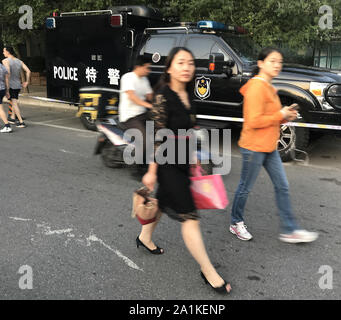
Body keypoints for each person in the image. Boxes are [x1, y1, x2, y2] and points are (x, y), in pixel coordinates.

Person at [141, 47, 231, 294]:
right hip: (167, 164)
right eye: (180, 62)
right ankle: (208, 271)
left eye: (190, 63)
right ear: (169, 67)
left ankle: (144, 238)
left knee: (160, 201)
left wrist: (192, 159)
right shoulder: (163, 96)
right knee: (189, 217)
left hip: (183, 161)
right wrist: (151, 171)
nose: (186, 67)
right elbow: (156, 136)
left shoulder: (187, 95)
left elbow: (187, 131)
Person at [230, 47, 318, 244]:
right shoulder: (256, 87)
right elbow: (253, 121)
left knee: (282, 186)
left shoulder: (269, 87)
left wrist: (285, 116)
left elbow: (269, 117)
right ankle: (236, 222)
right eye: (273, 61)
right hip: (253, 146)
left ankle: (289, 229)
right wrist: (281, 114)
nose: (278, 65)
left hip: (269, 147)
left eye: (280, 61)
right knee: (245, 187)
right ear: (261, 63)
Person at [119, 55, 153, 163]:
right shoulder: (128, 78)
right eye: (147, 68)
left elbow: (150, 96)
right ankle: (136, 168)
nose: (149, 71)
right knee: (144, 141)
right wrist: (149, 105)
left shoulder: (144, 80)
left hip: (142, 114)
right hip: (129, 117)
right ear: (138, 67)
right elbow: (132, 97)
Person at [2, 46, 30, 128]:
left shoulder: (5, 61)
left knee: (14, 103)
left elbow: (8, 74)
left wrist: (6, 88)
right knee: (14, 101)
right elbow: (28, 71)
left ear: (8, 52)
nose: (3, 53)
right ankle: (13, 117)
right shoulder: (19, 61)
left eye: (4, 51)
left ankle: (21, 122)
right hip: (18, 84)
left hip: (10, 85)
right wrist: (26, 81)